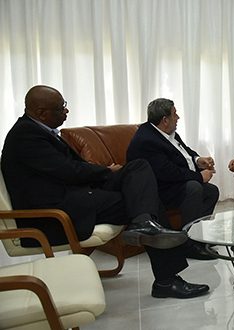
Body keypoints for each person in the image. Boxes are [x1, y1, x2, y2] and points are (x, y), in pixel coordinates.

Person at [1, 85, 210, 299]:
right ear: (40, 113)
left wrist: (108, 174)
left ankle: (145, 224)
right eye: (61, 108)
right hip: (58, 211)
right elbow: (69, 171)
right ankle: (164, 274)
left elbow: (70, 170)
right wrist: (106, 172)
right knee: (142, 199)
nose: (66, 111)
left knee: (139, 167)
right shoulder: (26, 136)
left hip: (78, 195)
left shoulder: (38, 131)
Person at [126, 98, 219, 260]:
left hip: (173, 184)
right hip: (159, 190)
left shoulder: (165, 132)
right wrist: (199, 177)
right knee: (194, 187)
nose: (178, 118)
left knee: (211, 191)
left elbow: (184, 151)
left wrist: (198, 160)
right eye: (175, 114)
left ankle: (197, 237)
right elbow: (167, 172)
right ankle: (189, 244)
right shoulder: (147, 140)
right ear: (165, 120)